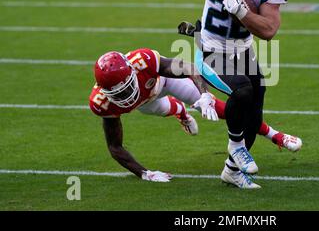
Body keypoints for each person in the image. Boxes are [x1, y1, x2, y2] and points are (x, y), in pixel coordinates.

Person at [149, 0, 292, 188]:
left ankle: (231, 171)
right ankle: (236, 145)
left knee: (254, 117)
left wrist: (241, 12)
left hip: (243, 50)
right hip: (210, 48)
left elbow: (269, 31)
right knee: (243, 92)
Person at [89, 47, 301, 186]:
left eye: (125, 88)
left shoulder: (143, 61)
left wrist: (205, 94)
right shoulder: (103, 104)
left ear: (132, 72)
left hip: (164, 82)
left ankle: (275, 136)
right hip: (146, 103)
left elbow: (189, 68)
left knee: (227, 112)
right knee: (165, 109)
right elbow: (115, 147)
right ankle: (179, 111)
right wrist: (145, 173)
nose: (125, 95)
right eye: (118, 93)